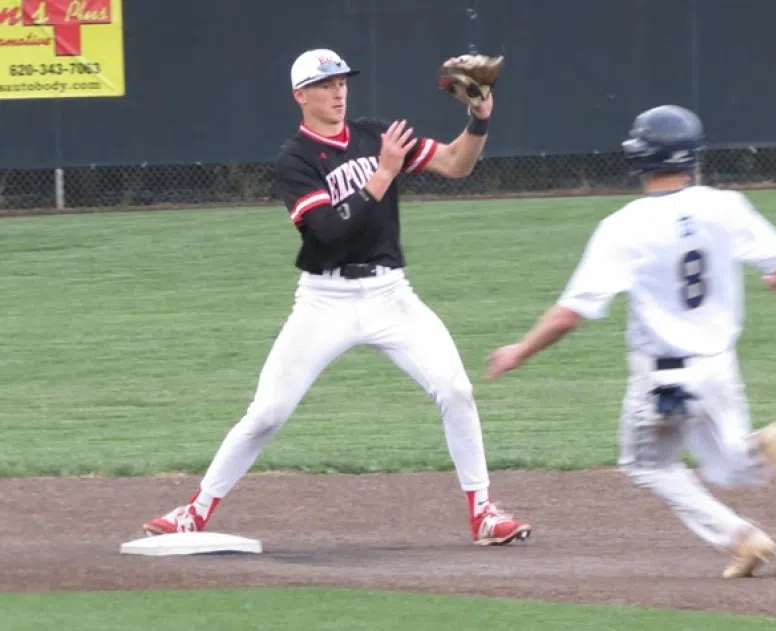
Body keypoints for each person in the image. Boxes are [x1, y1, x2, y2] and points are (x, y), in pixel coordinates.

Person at [141, 48, 531, 546]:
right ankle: (193, 512)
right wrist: (384, 173)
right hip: (325, 301)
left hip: (391, 295)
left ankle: (483, 513)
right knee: (267, 413)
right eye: (325, 85)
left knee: (455, 389)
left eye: (342, 82)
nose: (338, 92)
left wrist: (478, 118)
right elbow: (326, 231)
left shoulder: (375, 134)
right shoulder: (295, 160)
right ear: (300, 95)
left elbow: (457, 165)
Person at [485, 104, 776, 576]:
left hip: (665, 377)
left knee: (648, 465)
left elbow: (571, 313)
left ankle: (741, 537)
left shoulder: (624, 225)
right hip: (719, 367)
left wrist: (519, 350)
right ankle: (762, 451)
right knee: (729, 464)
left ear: (640, 159)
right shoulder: (725, 205)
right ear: (692, 158)